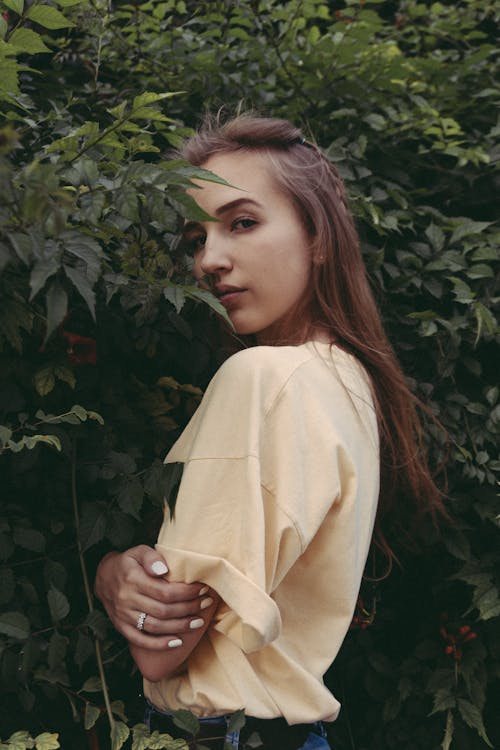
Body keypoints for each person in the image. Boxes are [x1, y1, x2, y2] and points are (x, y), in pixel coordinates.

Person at [95, 114, 445, 750]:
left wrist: (111, 575)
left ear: (318, 236)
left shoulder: (264, 378)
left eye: (243, 223)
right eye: (197, 237)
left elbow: (162, 651)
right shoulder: (347, 382)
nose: (209, 260)